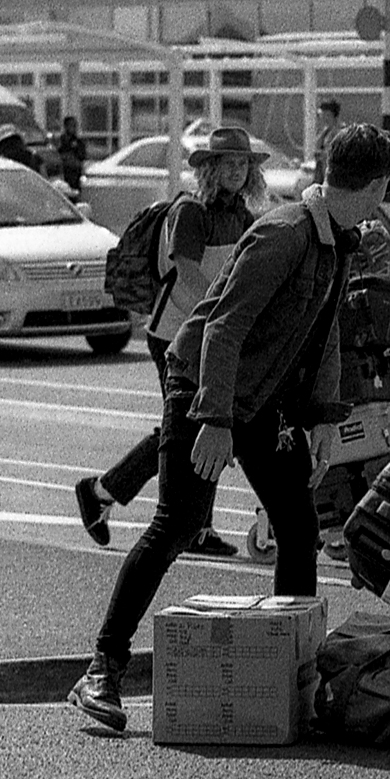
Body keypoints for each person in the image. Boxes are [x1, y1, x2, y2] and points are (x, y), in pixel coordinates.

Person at [68, 122, 390, 734]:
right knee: (178, 523)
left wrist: (324, 418)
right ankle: (102, 669)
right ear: (375, 184)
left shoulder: (338, 238)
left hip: (262, 400)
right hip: (203, 387)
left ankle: (290, 677)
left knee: (298, 530)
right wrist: (215, 421)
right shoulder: (284, 234)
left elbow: (322, 329)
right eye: (388, 186)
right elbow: (221, 329)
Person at [73, 125, 269, 559]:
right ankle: (169, 518)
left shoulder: (244, 217)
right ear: (211, 169)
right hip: (176, 337)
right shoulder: (191, 213)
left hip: (214, 335)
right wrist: (229, 311)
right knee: (192, 429)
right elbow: (187, 272)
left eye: (243, 163)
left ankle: (109, 494)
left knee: (202, 426)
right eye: (228, 163)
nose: (237, 170)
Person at [55, 115, 87, 194]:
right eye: (71, 125)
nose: (74, 128)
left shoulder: (78, 142)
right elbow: (58, 154)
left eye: (75, 125)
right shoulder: (61, 141)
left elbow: (82, 156)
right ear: (66, 127)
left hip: (75, 172)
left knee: (75, 192)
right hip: (64, 171)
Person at [314, 96, 342, 184]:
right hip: (323, 172)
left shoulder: (340, 132)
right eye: (323, 115)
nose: (324, 118)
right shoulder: (325, 132)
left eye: (328, 115)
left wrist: (324, 154)